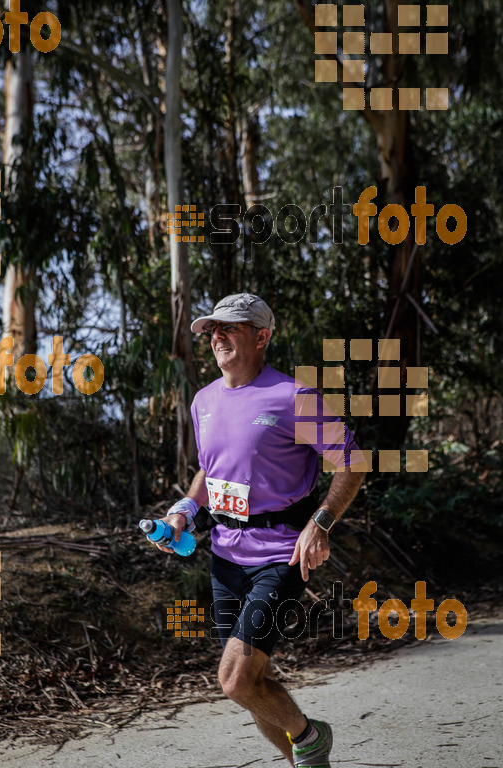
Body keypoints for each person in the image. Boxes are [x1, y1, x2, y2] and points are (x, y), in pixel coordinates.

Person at [156, 292, 366, 767]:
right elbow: (210, 474)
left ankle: (311, 739)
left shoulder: (294, 397)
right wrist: (183, 510)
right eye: (213, 330)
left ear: (262, 336)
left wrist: (321, 521)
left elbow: (352, 461)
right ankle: (302, 762)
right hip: (225, 558)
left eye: (230, 328)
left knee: (234, 680)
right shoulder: (203, 401)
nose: (218, 337)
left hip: (280, 556)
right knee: (256, 682)